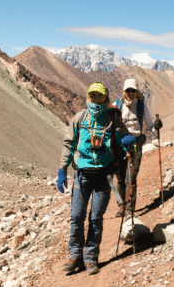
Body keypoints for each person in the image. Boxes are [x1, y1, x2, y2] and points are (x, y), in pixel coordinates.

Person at [56, 82, 136, 275]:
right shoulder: (80, 118)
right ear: (88, 97)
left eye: (100, 96)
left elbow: (124, 139)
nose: (96, 99)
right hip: (81, 176)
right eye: (92, 95)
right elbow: (69, 144)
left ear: (105, 98)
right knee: (76, 217)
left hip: (104, 176)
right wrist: (61, 169)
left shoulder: (113, 119)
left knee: (95, 218)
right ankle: (75, 257)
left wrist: (128, 143)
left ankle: (90, 258)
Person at [113, 78, 159, 218]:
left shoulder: (142, 106)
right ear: (124, 91)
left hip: (135, 143)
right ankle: (121, 205)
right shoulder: (117, 104)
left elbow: (149, 125)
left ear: (137, 91)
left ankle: (129, 208)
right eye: (128, 90)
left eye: (133, 90)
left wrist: (156, 125)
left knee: (131, 177)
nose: (130, 93)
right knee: (120, 176)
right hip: (120, 143)